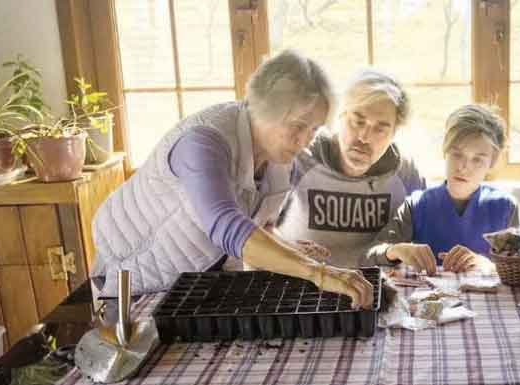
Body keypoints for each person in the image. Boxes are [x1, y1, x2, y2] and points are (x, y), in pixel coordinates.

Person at [91, 50, 372, 308]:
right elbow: (226, 226)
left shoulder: (282, 158)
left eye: (314, 129)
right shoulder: (204, 141)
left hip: (193, 285)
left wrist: (290, 250)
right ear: (264, 108)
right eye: (298, 126)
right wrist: (318, 273)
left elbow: (259, 228)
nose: (305, 141)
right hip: (132, 282)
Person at [275, 69, 425, 268]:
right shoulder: (298, 159)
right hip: (301, 288)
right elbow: (253, 234)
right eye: (357, 121)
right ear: (339, 116)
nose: (364, 136)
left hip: (379, 292)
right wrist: (288, 250)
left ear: (394, 133)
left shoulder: (406, 173)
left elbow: (426, 234)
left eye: (380, 128)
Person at [362, 104, 520, 275]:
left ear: (492, 162)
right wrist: (396, 250)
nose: (464, 167)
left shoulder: (506, 207)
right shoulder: (416, 205)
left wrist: (487, 266)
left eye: (477, 160)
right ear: (445, 150)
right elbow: (370, 255)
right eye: (457, 154)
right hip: (430, 300)